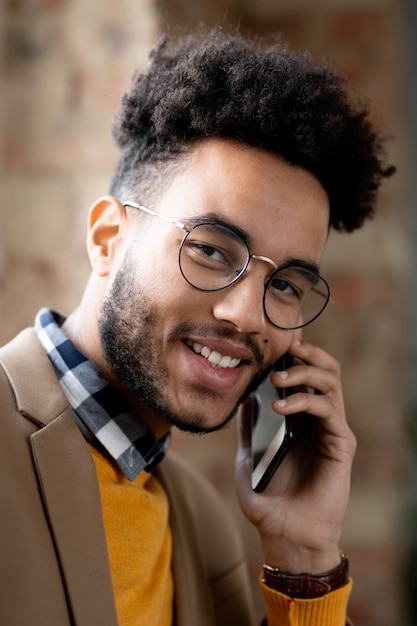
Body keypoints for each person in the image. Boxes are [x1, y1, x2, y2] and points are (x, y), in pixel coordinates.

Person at [0, 26, 394, 626]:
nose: (246, 315)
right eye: (212, 250)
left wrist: (304, 555)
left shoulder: (203, 524)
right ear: (109, 239)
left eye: (285, 285)